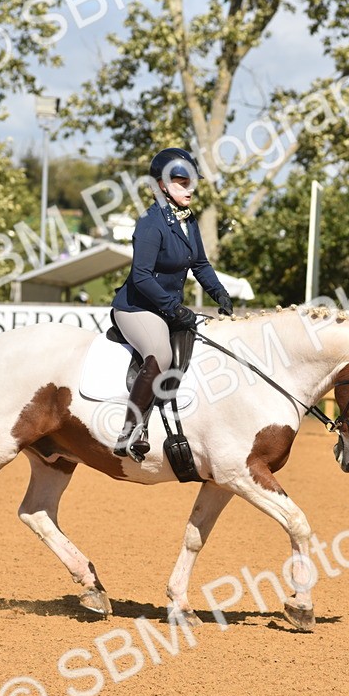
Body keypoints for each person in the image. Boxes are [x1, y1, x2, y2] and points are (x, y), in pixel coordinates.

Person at [109, 147, 234, 461]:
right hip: (137, 309)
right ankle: (131, 430)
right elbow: (141, 275)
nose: (189, 188)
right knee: (161, 353)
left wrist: (219, 293)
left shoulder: (187, 221)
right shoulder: (150, 224)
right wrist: (173, 306)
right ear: (162, 186)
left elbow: (201, 264)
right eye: (182, 182)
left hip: (164, 308)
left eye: (192, 181)